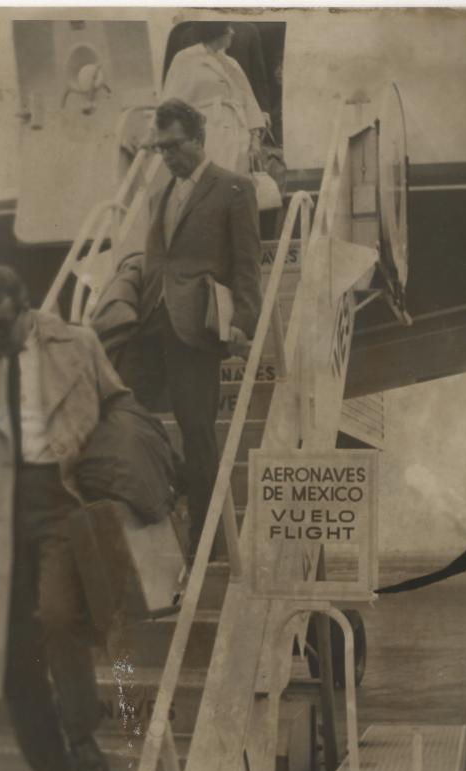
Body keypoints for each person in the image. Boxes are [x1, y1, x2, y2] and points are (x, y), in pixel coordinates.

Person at [0, 265, 136, 771]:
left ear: (25, 311)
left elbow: (118, 404)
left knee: (60, 616)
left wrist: (119, 479)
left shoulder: (77, 345)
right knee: (11, 656)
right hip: (0, 510)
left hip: (59, 498)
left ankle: (82, 734)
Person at [118, 99, 261, 562]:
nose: (167, 157)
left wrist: (242, 323)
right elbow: (154, 259)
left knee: (197, 429)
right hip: (151, 322)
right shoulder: (161, 193)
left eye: (174, 146)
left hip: (195, 328)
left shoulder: (234, 188)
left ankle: (208, 538)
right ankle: (172, 485)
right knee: (125, 411)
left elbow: (246, 266)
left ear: (198, 139)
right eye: (160, 149)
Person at [161, 23, 266, 174]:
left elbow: (248, 99)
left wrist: (254, 137)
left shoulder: (231, 63)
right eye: (228, 28)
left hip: (237, 131)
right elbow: (170, 101)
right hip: (206, 131)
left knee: (237, 178)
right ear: (215, 32)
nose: (232, 32)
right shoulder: (185, 58)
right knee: (210, 178)